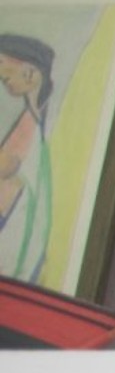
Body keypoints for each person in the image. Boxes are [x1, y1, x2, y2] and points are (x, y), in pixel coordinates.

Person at [0, 33, 55, 285]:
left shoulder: (30, 124)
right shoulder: (32, 118)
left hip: (13, 230)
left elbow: (6, 164)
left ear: (31, 74)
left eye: (6, 74)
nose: (4, 81)